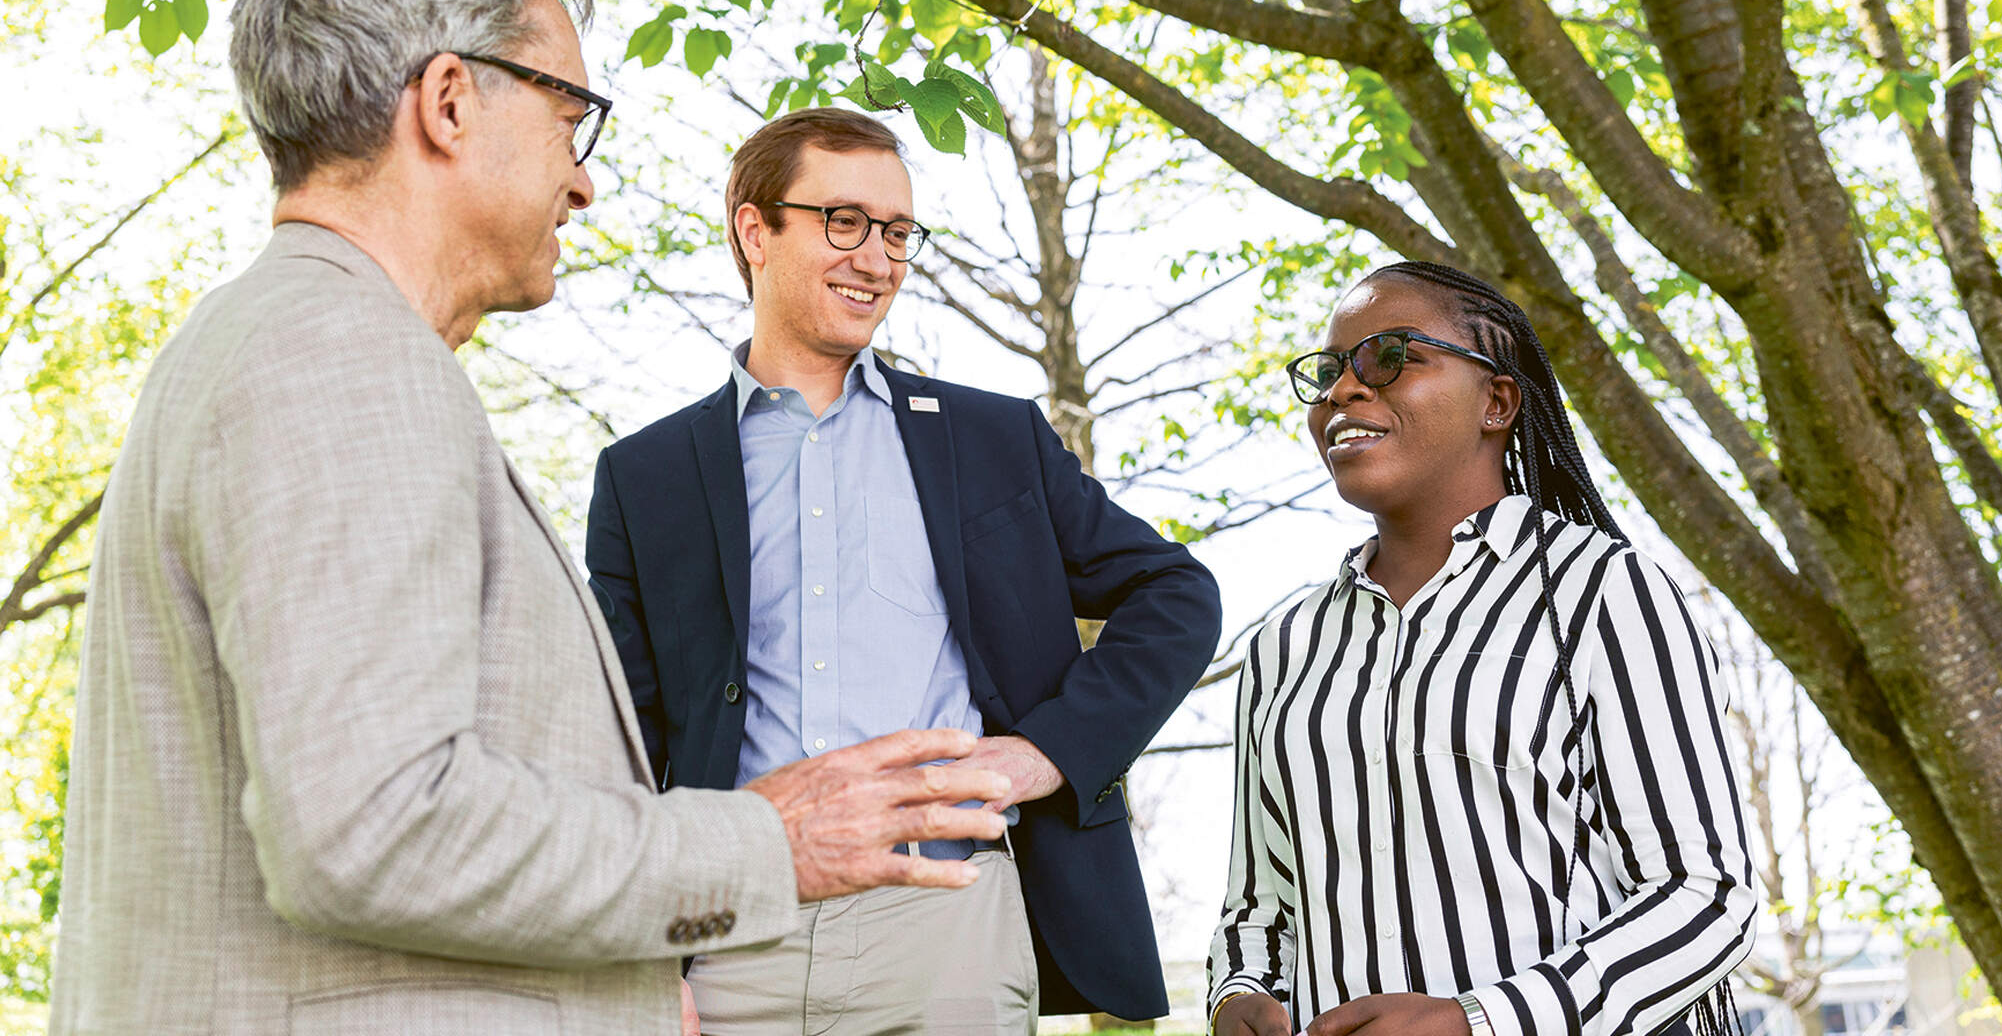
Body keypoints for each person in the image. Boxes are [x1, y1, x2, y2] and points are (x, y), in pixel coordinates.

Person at [48, 0, 1009, 1034]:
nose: (584, 180)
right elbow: (373, 827)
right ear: (450, 102)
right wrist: (765, 843)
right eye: (571, 117)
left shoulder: (287, 339)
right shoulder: (338, 355)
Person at [584, 106, 1224, 1032]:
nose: (876, 258)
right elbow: (623, 740)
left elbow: (1174, 593)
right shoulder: (646, 476)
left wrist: (1048, 751)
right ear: (754, 229)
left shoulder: (992, 440)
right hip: (728, 928)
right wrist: (641, 952)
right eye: (843, 222)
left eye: (896, 232)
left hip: (946, 919)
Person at [1207, 261, 1757, 1036]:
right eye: (1329, 372)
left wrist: (1478, 1022)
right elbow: (1260, 906)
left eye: (1391, 357)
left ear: (1497, 401)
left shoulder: (1604, 593)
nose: (1343, 391)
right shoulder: (1283, 646)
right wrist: (1239, 992)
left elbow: (1707, 895)